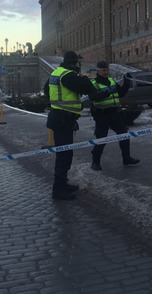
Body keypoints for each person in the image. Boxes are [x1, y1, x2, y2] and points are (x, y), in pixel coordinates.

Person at [45, 51, 105, 200]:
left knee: (65, 153)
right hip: (63, 119)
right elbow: (88, 89)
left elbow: (46, 90)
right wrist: (83, 78)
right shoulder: (69, 76)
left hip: (59, 116)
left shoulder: (56, 73)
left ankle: (62, 183)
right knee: (64, 154)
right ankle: (58, 189)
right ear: (75, 63)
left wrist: (56, 103)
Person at [90, 61, 140, 171]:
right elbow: (93, 97)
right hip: (101, 114)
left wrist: (127, 82)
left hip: (114, 113)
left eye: (107, 70)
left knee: (123, 135)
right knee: (101, 139)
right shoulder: (94, 83)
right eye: (103, 70)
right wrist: (107, 92)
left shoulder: (111, 81)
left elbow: (121, 93)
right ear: (98, 71)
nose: (106, 72)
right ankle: (95, 162)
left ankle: (126, 158)